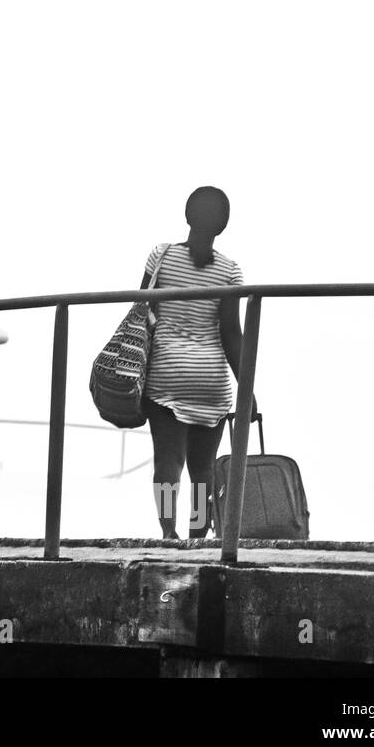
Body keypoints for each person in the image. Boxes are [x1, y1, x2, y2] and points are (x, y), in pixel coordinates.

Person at [140, 186, 251, 539]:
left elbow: (140, 312)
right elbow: (232, 334)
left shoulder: (161, 256)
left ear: (187, 216)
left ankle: (169, 532)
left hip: (167, 375)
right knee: (203, 470)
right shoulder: (230, 272)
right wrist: (247, 388)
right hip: (211, 382)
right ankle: (197, 534)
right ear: (223, 226)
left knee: (167, 461)